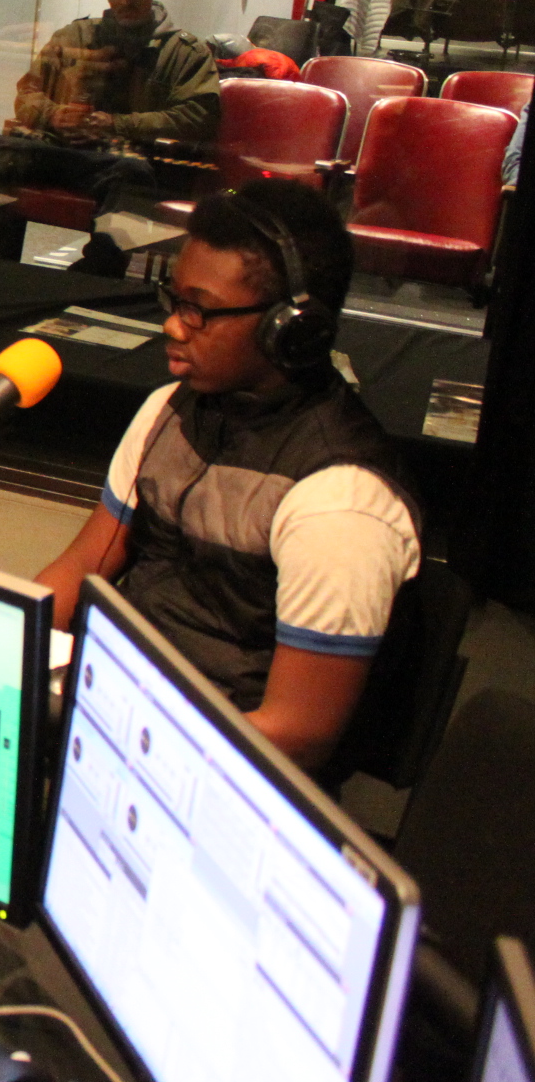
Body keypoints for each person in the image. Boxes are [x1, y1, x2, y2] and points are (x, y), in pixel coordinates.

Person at [35, 181, 420, 772]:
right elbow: (85, 563)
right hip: (109, 711)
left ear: (289, 329)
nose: (173, 326)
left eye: (200, 309)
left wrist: (116, 739)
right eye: (173, 299)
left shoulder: (339, 502)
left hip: (207, 774)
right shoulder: (170, 410)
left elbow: (297, 733)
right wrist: (2, 656)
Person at [0, 0, 221, 274]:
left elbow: (198, 116)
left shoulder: (184, 51)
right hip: (58, 150)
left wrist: (117, 124)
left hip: (119, 162)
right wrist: (53, 114)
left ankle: (95, 275)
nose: (125, 0)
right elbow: (28, 94)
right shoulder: (74, 36)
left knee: (132, 175)